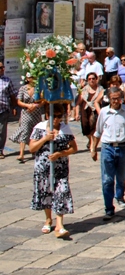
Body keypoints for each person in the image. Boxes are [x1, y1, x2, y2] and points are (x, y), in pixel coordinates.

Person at [29, 103, 77, 239]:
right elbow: (32, 148)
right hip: (43, 167)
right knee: (46, 193)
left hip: (60, 168)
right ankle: (48, 219)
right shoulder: (39, 128)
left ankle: (59, 225)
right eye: (53, 116)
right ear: (47, 115)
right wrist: (45, 138)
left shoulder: (65, 129)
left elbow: (74, 148)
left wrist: (60, 154)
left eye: (59, 116)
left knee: (62, 192)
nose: (56, 119)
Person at [92, 87, 125, 221]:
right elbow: (98, 132)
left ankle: (120, 195)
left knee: (121, 176)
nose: (116, 101)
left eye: (118, 98)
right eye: (113, 99)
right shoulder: (104, 112)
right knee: (107, 180)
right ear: (109, 99)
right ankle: (109, 208)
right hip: (108, 147)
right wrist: (93, 148)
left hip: (123, 147)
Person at [14, 75, 43, 163]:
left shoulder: (38, 88)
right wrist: (28, 105)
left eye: (34, 77)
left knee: (35, 131)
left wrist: (35, 106)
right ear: (27, 79)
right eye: (31, 77)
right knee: (25, 130)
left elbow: (43, 100)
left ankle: (34, 150)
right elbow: (19, 101)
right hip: (26, 112)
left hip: (36, 113)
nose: (33, 79)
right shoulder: (23, 88)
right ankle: (21, 153)